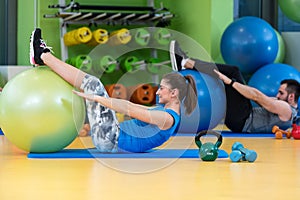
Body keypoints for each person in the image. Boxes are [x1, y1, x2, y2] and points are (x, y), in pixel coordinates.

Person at [30, 28, 197, 153]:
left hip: (110, 139)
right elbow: (137, 109)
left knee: (94, 84)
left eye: (162, 88)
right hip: (110, 136)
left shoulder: (166, 118)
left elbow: (130, 108)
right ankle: (44, 58)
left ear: (174, 93)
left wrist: (97, 98)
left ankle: (43, 56)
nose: (157, 92)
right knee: (94, 86)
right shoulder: (165, 113)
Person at [169, 40, 300, 133]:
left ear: (291, 96)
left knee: (233, 72)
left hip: (243, 119)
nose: (277, 95)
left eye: (281, 93)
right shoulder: (286, 109)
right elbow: (257, 98)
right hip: (241, 118)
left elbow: (257, 96)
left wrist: (231, 83)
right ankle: (187, 62)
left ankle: (186, 62)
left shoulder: (286, 109)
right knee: (229, 75)